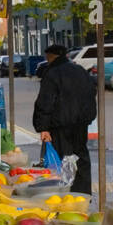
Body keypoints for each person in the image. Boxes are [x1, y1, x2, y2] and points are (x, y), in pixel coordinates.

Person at [32, 44, 97, 194]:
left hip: (59, 125)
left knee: (59, 161)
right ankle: (82, 194)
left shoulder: (52, 73)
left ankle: (62, 194)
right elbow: (91, 92)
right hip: (81, 123)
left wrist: (42, 127)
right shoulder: (80, 70)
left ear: (51, 56)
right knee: (81, 157)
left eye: (47, 57)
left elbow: (45, 101)